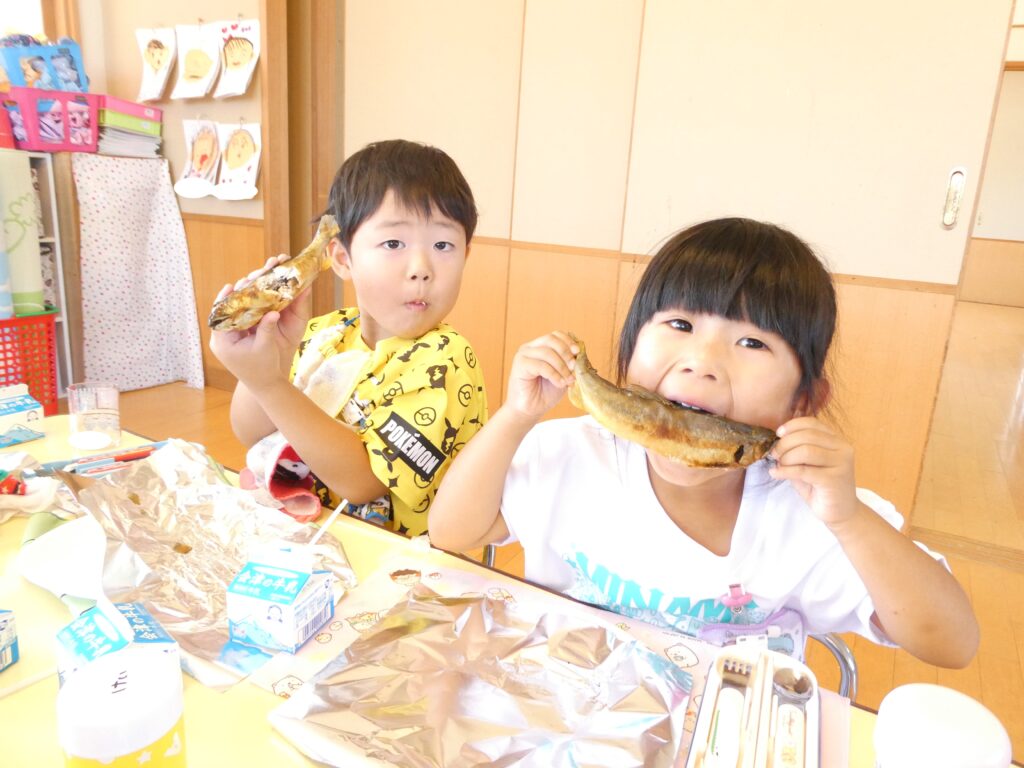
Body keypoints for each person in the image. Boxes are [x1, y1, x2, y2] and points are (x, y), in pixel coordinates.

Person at [429, 217, 978, 668]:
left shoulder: (810, 515)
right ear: (628, 352)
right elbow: (453, 532)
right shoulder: (571, 454)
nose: (702, 362)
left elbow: (951, 643)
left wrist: (849, 519)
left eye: (751, 341)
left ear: (803, 401)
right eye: (680, 325)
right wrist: (514, 417)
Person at [211, 139, 487, 537]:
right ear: (342, 258)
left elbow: (363, 483)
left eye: (443, 245)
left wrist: (270, 384)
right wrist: (266, 365)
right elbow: (251, 432)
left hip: (389, 568)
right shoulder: (326, 333)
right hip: (299, 540)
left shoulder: (445, 360)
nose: (421, 268)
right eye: (393, 243)